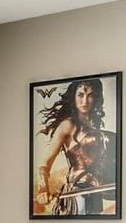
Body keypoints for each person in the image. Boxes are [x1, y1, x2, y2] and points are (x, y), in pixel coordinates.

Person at [35, 78, 118, 215]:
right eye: (80, 95)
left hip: (95, 193)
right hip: (77, 192)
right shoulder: (68, 125)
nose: (85, 101)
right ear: (73, 96)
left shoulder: (94, 127)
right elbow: (44, 164)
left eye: (90, 95)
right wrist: (42, 188)